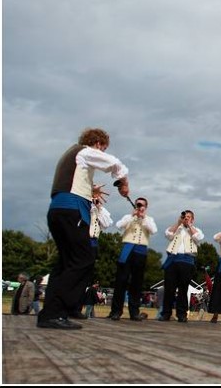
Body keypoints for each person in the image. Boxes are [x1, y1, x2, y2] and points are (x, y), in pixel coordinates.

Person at [38, 128, 130, 330]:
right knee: (83, 259)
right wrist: (124, 183)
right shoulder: (85, 152)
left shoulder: (71, 155)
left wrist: (90, 189)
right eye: (103, 148)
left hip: (58, 210)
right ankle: (59, 310)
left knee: (64, 263)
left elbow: (73, 183)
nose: (102, 152)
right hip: (73, 210)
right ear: (97, 143)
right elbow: (115, 164)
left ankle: (50, 313)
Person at [109, 197, 158, 321]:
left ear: (145, 207)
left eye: (142, 205)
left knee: (136, 282)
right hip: (127, 248)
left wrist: (143, 217)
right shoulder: (128, 217)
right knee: (121, 281)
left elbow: (153, 230)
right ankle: (116, 311)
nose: (139, 207)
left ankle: (134, 312)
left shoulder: (149, 219)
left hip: (140, 251)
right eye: (138, 204)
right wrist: (132, 216)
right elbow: (119, 225)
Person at [159, 210, 205, 323]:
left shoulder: (196, 230)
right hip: (173, 259)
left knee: (183, 289)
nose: (186, 218)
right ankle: (166, 313)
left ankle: (182, 314)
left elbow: (198, 238)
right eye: (185, 216)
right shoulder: (177, 228)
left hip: (187, 261)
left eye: (189, 217)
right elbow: (168, 235)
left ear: (192, 219)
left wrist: (189, 226)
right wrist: (178, 223)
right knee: (169, 288)